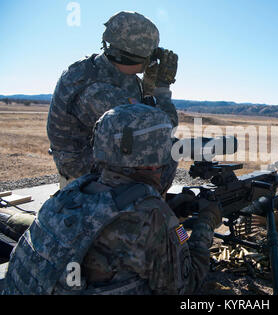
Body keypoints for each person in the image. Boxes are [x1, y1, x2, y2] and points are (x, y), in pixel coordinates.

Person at [3, 103, 221, 295]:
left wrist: (171, 213)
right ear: (156, 155)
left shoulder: (73, 192)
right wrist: (205, 225)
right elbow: (186, 284)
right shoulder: (151, 215)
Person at [47, 11, 179, 189]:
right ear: (141, 56)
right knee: (168, 149)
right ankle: (146, 203)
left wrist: (148, 87)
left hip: (100, 152)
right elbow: (163, 129)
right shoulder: (97, 91)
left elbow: (142, 110)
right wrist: (162, 88)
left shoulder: (107, 69)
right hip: (82, 172)